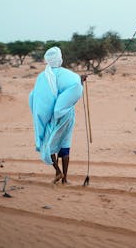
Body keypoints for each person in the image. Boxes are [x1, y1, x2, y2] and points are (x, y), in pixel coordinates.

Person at [29, 47, 87, 184]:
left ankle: (58, 171)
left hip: (51, 116)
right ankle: (65, 179)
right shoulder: (70, 75)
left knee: (49, 141)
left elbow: (35, 96)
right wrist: (80, 81)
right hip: (67, 115)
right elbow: (74, 86)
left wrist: (45, 113)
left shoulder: (42, 77)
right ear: (60, 58)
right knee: (65, 143)